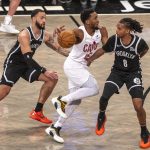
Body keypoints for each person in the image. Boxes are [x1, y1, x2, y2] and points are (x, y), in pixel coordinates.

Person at [45, 8, 108, 143]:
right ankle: (61, 100)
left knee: (76, 100)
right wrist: (58, 34)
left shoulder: (100, 31)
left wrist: (104, 37)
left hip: (81, 67)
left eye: (97, 17)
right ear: (87, 21)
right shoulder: (79, 32)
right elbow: (65, 38)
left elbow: (106, 48)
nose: (98, 20)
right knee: (94, 88)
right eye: (95, 18)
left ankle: (55, 127)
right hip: (73, 66)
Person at [86, 18, 150, 149]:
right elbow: (102, 50)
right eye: (117, 28)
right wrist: (90, 59)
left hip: (133, 74)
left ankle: (144, 131)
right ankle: (101, 116)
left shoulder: (139, 43)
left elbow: (145, 50)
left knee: (138, 106)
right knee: (104, 98)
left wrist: (135, 58)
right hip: (117, 73)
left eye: (119, 28)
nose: (116, 30)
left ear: (127, 30)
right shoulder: (114, 40)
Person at [0, 9, 68, 124]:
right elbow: (27, 57)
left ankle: (37, 111)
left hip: (27, 65)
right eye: (41, 17)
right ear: (33, 19)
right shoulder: (24, 34)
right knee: (5, 91)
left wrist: (77, 57)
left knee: (52, 79)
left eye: (45, 18)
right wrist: (44, 71)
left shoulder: (44, 35)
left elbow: (59, 49)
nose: (44, 20)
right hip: (14, 64)